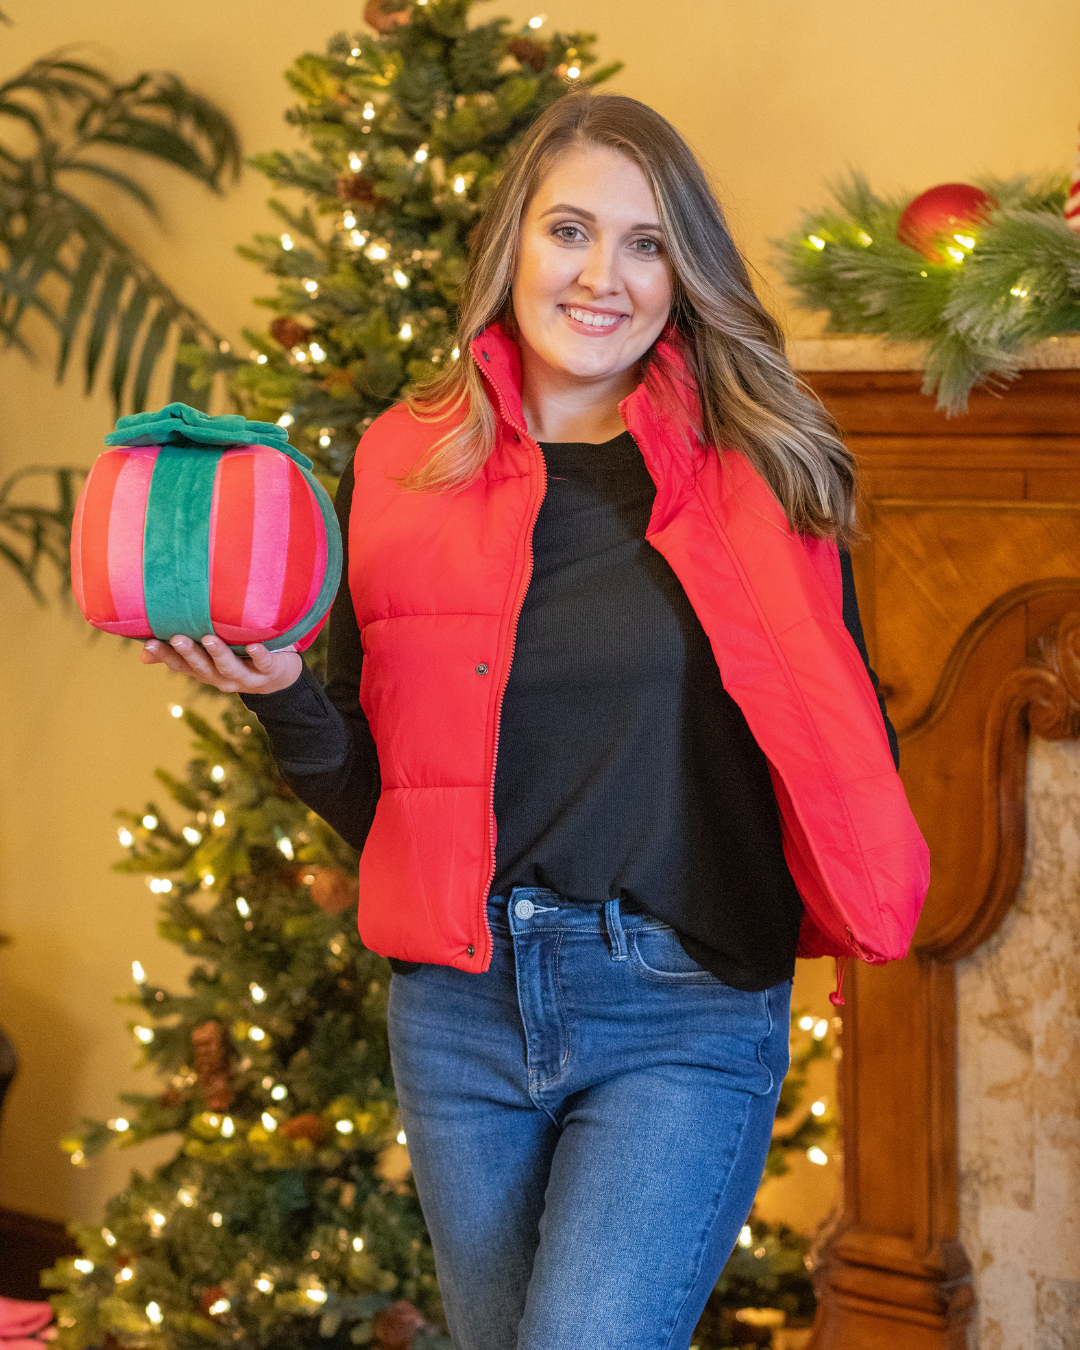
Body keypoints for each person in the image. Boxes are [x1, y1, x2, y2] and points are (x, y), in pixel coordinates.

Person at [141, 93, 926, 1350]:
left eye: (646, 243)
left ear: (685, 274)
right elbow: (382, 788)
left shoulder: (760, 468)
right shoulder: (403, 463)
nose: (600, 275)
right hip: (460, 1011)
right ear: (513, 243)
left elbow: (832, 740)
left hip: (679, 1008)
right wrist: (279, 692)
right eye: (570, 230)